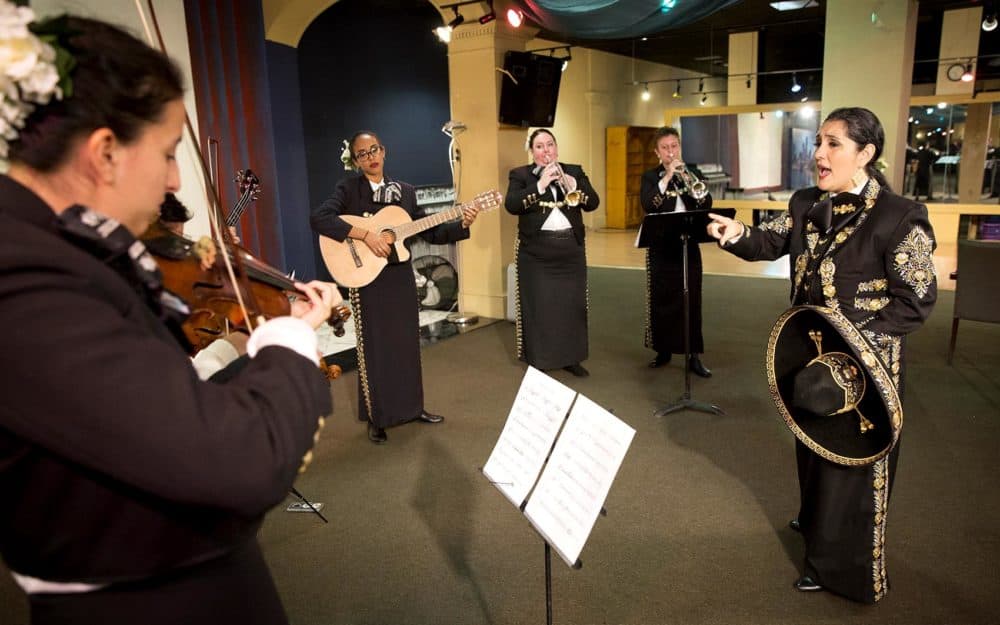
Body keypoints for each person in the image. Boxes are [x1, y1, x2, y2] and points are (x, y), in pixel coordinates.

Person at [0, 11, 339, 625]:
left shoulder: (64, 252)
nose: (176, 179)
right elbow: (238, 460)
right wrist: (288, 338)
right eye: (166, 151)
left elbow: (158, 414)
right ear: (105, 153)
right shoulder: (22, 279)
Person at [706, 107, 937, 603]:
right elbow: (772, 240)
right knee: (811, 445)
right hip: (809, 357)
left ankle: (842, 570)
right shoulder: (806, 202)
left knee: (851, 466)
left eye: (833, 144)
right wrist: (736, 235)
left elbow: (915, 301)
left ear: (865, 154)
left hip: (866, 370)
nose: (819, 155)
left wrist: (856, 349)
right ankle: (816, 526)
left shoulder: (900, 216)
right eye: (818, 143)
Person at [311, 131, 479, 444]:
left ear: (384, 151)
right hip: (367, 281)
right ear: (356, 161)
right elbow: (320, 218)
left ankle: (413, 408)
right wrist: (365, 235)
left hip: (399, 278)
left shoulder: (406, 191)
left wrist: (462, 224)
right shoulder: (348, 189)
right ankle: (378, 417)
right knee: (374, 350)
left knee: (405, 346)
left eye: (374, 149)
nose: (370, 156)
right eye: (362, 153)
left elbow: (431, 231)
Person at [504, 129, 600, 377]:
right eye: (539, 146)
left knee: (572, 306)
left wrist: (573, 184)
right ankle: (541, 359)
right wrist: (541, 184)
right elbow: (512, 205)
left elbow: (593, 203)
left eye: (550, 145)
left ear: (557, 148)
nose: (546, 150)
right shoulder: (521, 175)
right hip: (536, 254)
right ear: (532, 151)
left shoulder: (574, 171)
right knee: (540, 308)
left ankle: (571, 358)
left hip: (571, 251)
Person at [639, 127, 713, 377]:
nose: (671, 152)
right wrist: (666, 178)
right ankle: (663, 350)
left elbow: (706, 202)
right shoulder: (650, 177)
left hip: (688, 242)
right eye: (665, 148)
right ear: (657, 152)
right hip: (661, 246)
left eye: (674, 146)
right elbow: (649, 204)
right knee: (662, 298)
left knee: (691, 299)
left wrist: (686, 177)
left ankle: (694, 355)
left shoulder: (693, 172)